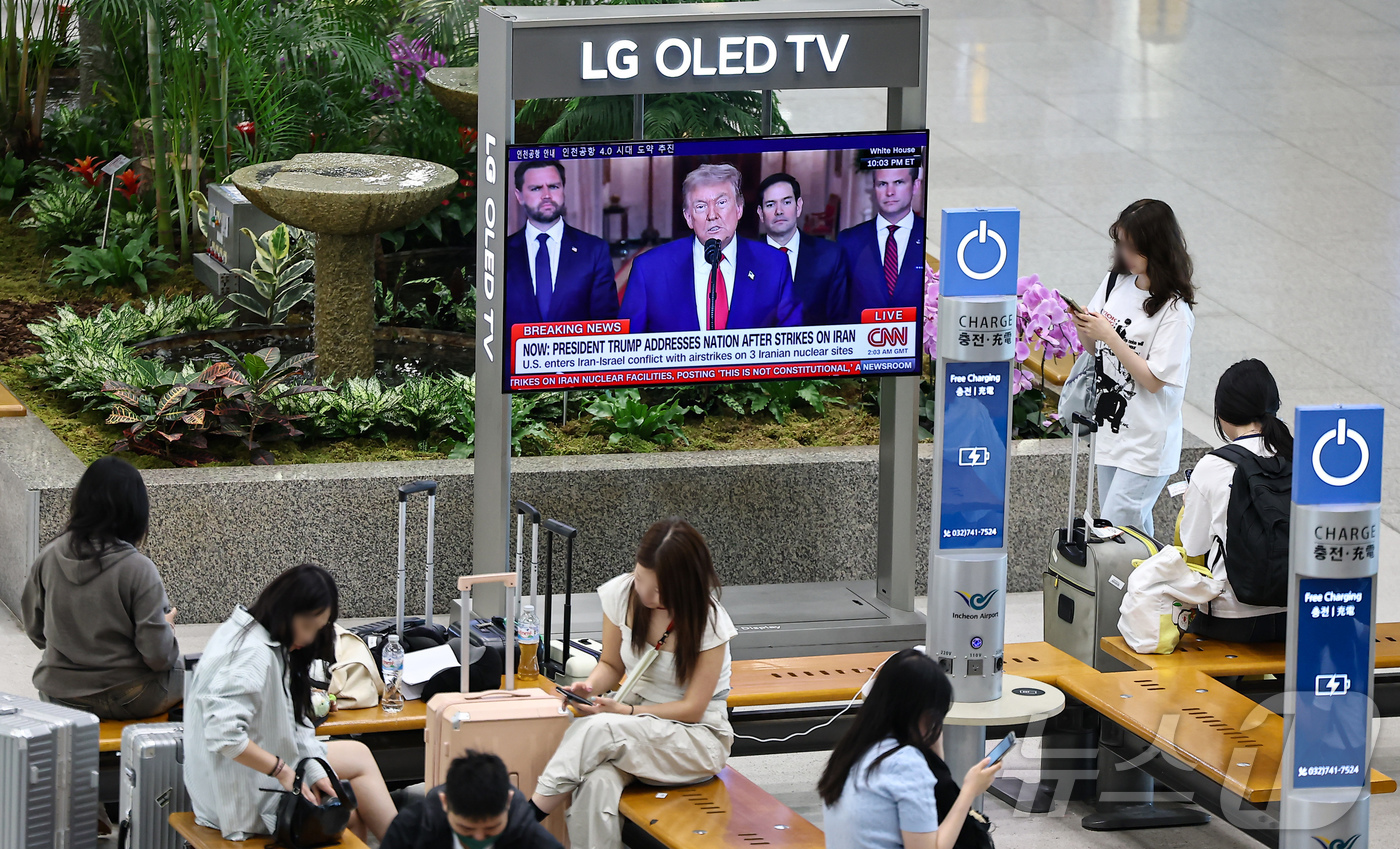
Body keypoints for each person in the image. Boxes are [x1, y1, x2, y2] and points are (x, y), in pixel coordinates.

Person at [530, 518, 736, 849]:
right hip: (636, 731)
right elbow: (611, 665)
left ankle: (526, 819)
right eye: (641, 579)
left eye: (661, 590)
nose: (646, 594)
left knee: (601, 729)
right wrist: (589, 688)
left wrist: (626, 712)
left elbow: (693, 709)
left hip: (694, 739)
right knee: (596, 785)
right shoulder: (622, 593)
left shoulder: (710, 622)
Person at [184, 564, 397, 841]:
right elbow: (225, 737)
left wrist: (314, 771)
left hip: (233, 781)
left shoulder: (249, 631)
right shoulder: (253, 653)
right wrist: (282, 771)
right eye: (307, 626)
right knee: (349, 815)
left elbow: (296, 724)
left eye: (316, 629)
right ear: (286, 609)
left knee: (352, 784)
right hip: (237, 800)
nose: (309, 638)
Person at [22, 455, 182, 720]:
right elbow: (158, 657)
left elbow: (36, 631)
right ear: (135, 510)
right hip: (133, 696)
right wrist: (166, 627)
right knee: (200, 673)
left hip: (60, 695)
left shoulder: (48, 556)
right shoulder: (138, 568)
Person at [1071, 198, 1196, 537]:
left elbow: (1154, 380)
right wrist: (1086, 329)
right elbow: (1096, 351)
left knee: (1116, 528)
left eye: (1131, 246)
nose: (1123, 253)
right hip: (1111, 434)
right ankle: (1155, 572)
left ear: (1154, 247)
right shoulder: (1116, 282)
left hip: (1147, 443)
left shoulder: (1174, 312)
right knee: (1130, 533)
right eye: (1121, 244)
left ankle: (1151, 572)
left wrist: (1110, 336)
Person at [819, 649, 1002, 849]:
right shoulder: (906, 764)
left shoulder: (854, 748)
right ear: (924, 713)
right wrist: (969, 790)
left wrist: (931, 742)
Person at [1180, 359, 1291, 642]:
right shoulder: (1299, 455)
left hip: (1233, 617)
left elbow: (1193, 545)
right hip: (1299, 613)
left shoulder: (1212, 466)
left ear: (1223, 414)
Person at [620, 164, 800, 332]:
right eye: (701, 206)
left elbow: (792, 341)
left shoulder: (774, 265)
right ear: (688, 218)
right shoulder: (650, 269)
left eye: (721, 203)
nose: (712, 215)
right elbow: (626, 344)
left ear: (739, 209)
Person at [505, 160, 619, 330]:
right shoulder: (501, 252)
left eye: (553, 187)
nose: (546, 195)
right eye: (536, 188)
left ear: (563, 190)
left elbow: (606, 324)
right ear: (519, 196)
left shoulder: (594, 250)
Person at [381, 751, 562, 849]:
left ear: (508, 802)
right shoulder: (411, 829)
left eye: (491, 829)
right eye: (466, 829)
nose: (478, 838)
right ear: (445, 803)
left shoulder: (530, 837)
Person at [756, 172, 849, 326]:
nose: (779, 211)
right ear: (761, 213)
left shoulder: (831, 256)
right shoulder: (744, 258)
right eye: (770, 204)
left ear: (798, 207)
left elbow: (840, 321)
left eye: (786, 202)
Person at [836, 166, 926, 324]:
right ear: (874, 188)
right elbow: (837, 306)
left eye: (898, 182)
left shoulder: (930, 237)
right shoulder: (849, 241)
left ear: (915, 186)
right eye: (882, 184)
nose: (890, 192)